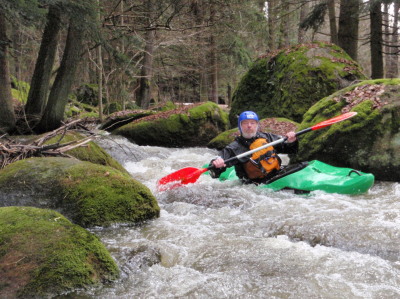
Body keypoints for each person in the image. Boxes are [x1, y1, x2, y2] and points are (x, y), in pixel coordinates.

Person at [209, 111, 298, 184]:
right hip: (254, 184)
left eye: (252, 123)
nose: (249, 126)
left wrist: (292, 141)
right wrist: (216, 164)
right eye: (245, 123)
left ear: (257, 125)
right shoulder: (234, 147)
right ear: (240, 126)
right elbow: (214, 173)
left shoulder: (267, 137)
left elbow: (291, 150)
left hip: (277, 173)